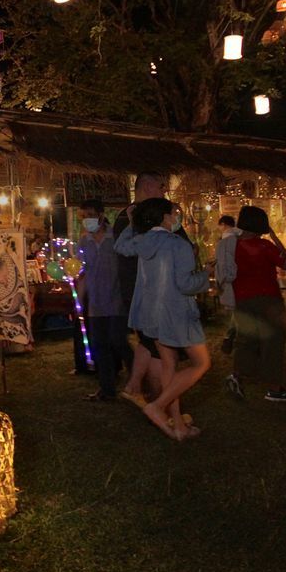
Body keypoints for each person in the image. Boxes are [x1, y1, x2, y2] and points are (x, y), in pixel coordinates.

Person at [117, 198, 211, 440]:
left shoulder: (142, 240)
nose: (176, 216)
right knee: (201, 363)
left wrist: (131, 223)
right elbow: (185, 284)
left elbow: (120, 246)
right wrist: (207, 275)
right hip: (176, 313)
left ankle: (178, 424)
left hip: (150, 315)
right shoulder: (178, 244)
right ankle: (158, 406)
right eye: (174, 212)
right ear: (165, 217)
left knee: (169, 365)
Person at [224, 206, 286, 402]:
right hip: (268, 300)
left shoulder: (232, 246)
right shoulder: (264, 246)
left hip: (242, 299)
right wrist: (274, 237)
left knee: (247, 340)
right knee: (273, 342)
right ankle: (274, 387)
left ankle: (237, 375)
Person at [113, 172, 172, 407]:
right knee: (160, 348)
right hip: (147, 293)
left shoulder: (133, 217)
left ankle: (134, 387)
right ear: (147, 187)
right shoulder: (135, 218)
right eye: (161, 185)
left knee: (148, 343)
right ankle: (159, 404)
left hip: (145, 292)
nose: (164, 191)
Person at [77, 199, 125, 401]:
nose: (87, 219)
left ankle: (139, 383)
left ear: (101, 215)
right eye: (83, 215)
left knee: (119, 343)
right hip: (96, 303)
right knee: (101, 347)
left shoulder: (115, 238)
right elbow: (83, 272)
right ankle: (107, 390)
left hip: (116, 300)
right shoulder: (84, 242)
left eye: (90, 214)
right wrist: (80, 298)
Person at [214, 214, 241, 353]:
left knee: (236, 312)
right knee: (239, 311)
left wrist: (220, 281)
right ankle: (230, 336)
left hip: (230, 281)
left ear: (223, 224)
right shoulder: (240, 239)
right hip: (242, 281)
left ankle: (229, 337)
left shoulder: (224, 242)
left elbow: (223, 265)